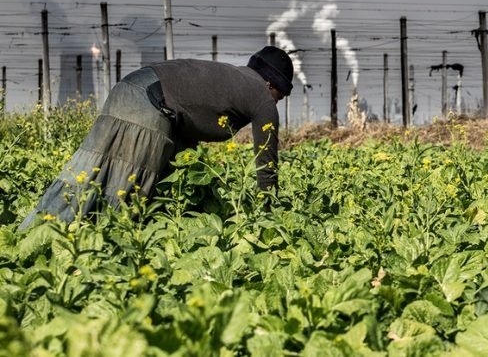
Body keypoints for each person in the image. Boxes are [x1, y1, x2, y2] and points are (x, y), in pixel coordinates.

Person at [19, 45, 293, 230]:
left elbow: (187, 124)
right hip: (148, 104)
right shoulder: (262, 98)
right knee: (124, 190)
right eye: (281, 95)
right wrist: (268, 218)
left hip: (131, 87)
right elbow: (265, 165)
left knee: (87, 172)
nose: (278, 102)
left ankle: (36, 230)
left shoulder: (232, 78)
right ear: (271, 84)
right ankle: (85, 246)